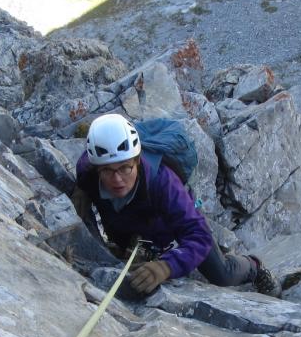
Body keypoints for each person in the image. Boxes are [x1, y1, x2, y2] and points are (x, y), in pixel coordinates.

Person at [71, 114, 281, 299]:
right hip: (138, 221)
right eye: (107, 171)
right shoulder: (88, 170)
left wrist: (166, 267)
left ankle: (254, 267)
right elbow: (86, 168)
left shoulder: (164, 183)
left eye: (125, 168)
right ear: (97, 168)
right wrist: (82, 189)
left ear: (137, 161)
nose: (117, 179)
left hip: (171, 218)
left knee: (222, 274)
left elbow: (198, 236)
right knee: (125, 242)